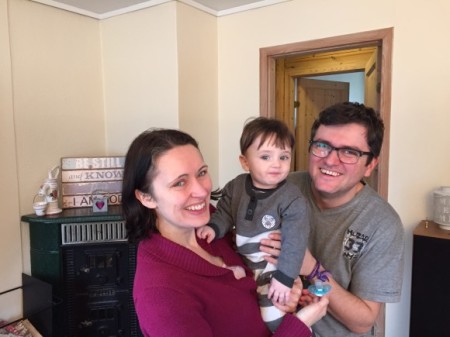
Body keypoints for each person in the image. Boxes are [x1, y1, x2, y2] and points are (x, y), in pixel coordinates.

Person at [122, 128, 329, 337]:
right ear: (146, 197)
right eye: (180, 182)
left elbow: (249, 291)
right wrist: (300, 324)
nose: (202, 192)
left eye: (202, 173)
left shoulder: (211, 222)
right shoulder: (160, 295)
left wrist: (286, 299)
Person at [261, 102, 405, 337]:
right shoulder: (282, 189)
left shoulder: (382, 224)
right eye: (322, 145)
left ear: (370, 165)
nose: (330, 160)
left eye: (349, 152)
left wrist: (310, 267)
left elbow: (363, 322)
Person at [197, 117, 311, 332]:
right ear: (245, 162)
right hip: (244, 261)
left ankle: (298, 332)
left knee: (272, 317)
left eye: (284, 157)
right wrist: (213, 228)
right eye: (266, 157)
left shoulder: (292, 198)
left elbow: (295, 242)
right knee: (241, 312)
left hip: (273, 267)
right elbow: (224, 213)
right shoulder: (236, 187)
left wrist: (284, 278)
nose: (276, 164)